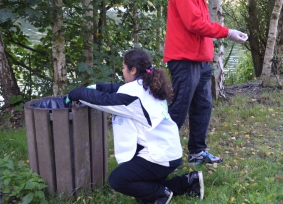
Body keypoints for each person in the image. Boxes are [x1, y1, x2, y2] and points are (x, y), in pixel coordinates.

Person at [67, 49, 204, 204]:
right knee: (142, 191)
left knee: (118, 180)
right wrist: (98, 86)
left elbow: (103, 100)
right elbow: (115, 89)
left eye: (124, 68)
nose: (123, 72)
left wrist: (77, 93)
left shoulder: (133, 96)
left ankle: (160, 194)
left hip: (160, 156)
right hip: (169, 152)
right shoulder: (150, 84)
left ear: (133, 70)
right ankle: (188, 182)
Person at [163, 0, 248, 165]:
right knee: (180, 108)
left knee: (203, 105)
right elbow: (195, 24)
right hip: (184, 59)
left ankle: (197, 152)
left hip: (200, 60)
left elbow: (201, 23)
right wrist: (227, 32)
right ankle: (159, 155)